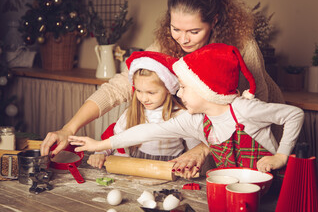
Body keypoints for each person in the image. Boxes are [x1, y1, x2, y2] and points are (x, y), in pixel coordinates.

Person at [41, 0, 284, 176]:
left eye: (194, 31)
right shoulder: (168, 43)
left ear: (215, 21)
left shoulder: (241, 45)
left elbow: (251, 114)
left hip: (259, 134)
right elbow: (119, 87)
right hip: (210, 134)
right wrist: (68, 128)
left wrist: (201, 149)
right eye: (175, 28)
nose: (183, 39)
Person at [68, 43, 304, 178]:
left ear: (206, 90)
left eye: (183, 87)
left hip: (273, 186)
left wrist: (281, 155)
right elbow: (145, 132)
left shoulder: (244, 108)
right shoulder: (196, 122)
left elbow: (294, 114)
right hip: (237, 187)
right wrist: (98, 146)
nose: (178, 94)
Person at [87, 51, 200, 169]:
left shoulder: (181, 115)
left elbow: (194, 150)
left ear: (168, 88)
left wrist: (189, 164)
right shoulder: (131, 113)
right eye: (139, 91)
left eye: (151, 92)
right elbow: (114, 138)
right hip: (136, 167)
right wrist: (100, 153)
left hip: (169, 168)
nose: (144, 98)